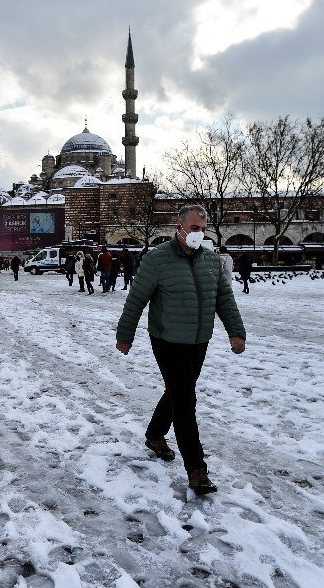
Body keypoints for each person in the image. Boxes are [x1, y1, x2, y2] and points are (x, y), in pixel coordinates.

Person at [115, 205, 246, 496]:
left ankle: (154, 434)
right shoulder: (157, 260)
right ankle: (196, 469)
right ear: (180, 227)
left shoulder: (211, 261)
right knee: (185, 400)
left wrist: (236, 332)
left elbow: (224, 298)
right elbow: (136, 300)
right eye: (195, 228)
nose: (200, 233)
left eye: (204, 228)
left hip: (199, 339)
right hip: (167, 339)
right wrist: (125, 335)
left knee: (177, 392)